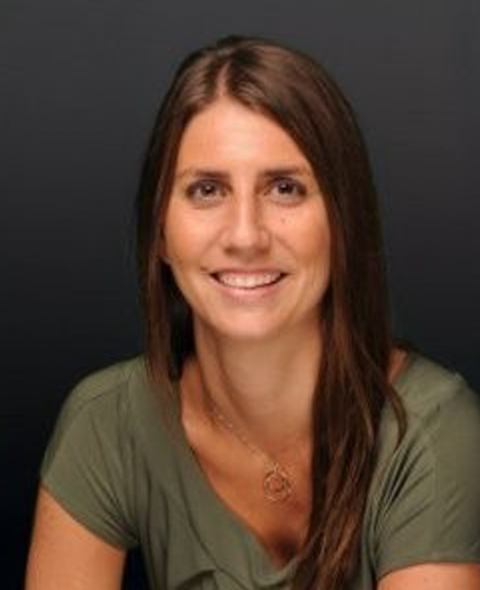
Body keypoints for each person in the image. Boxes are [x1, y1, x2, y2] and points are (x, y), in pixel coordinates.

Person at [25, 35, 480, 590]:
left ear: (343, 223)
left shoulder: (432, 433)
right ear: (161, 234)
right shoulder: (106, 425)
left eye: (285, 188)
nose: (245, 235)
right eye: (207, 190)